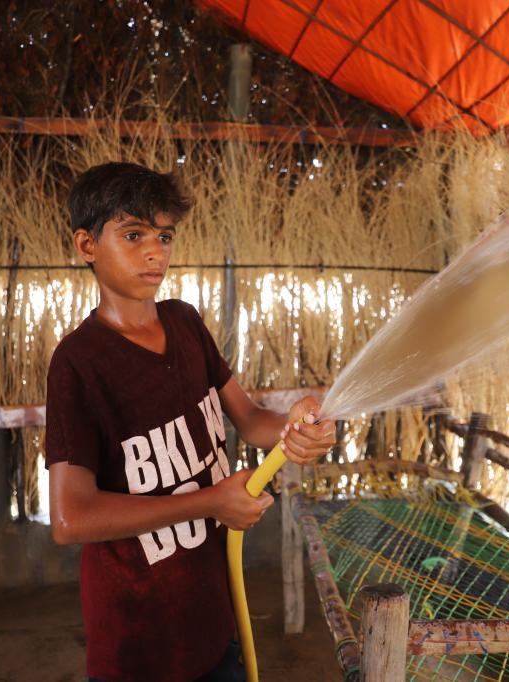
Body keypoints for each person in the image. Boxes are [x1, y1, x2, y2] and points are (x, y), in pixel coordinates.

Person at [45, 162, 336, 682]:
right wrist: (210, 502)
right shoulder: (78, 362)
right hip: (137, 636)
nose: (154, 252)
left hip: (212, 610)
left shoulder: (184, 322)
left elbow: (250, 419)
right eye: (133, 235)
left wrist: (296, 426)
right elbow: (71, 518)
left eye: (164, 236)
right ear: (86, 245)